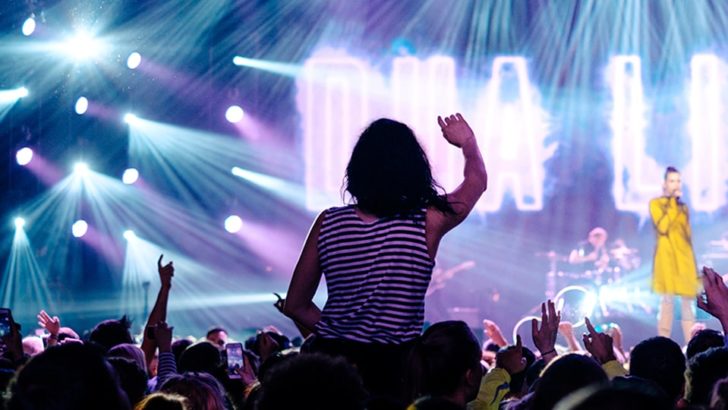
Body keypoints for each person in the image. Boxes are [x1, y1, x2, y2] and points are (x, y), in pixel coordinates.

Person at [283, 113, 487, 399]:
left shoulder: (328, 222)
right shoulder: (426, 221)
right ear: (414, 169)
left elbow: (295, 305)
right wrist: (468, 143)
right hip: (395, 371)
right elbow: (476, 181)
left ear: (357, 170)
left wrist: (339, 334)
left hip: (330, 368)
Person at [649, 166, 699, 342]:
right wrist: (671, 202)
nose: (676, 184)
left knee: (688, 307)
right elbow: (662, 227)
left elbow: (688, 237)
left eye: (678, 181)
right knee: (667, 304)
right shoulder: (656, 204)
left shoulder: (683, 208)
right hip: (666, 261)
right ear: (664, 183)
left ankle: (692, 345)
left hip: (684, 261)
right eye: (672, 181)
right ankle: (663, 346)